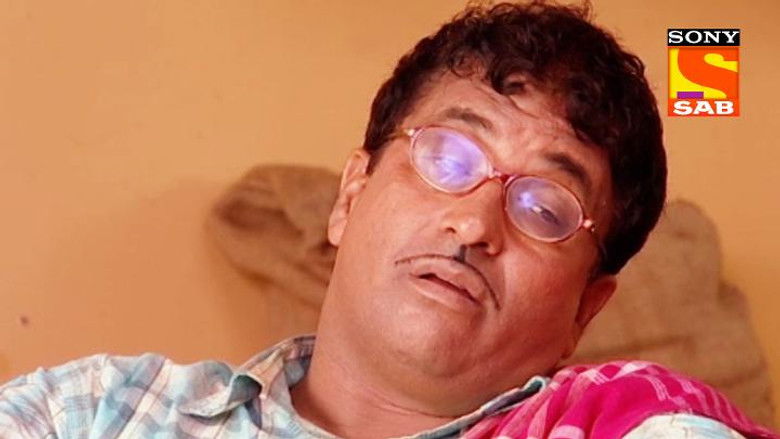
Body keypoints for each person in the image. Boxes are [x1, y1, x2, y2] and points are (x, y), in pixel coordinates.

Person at [0, 2, 776, 438]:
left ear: (586, 310)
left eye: (543, 207)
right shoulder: (97, 410)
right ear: (351, 194)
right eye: (449, 157)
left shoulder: (628, 424)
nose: (474, 223)